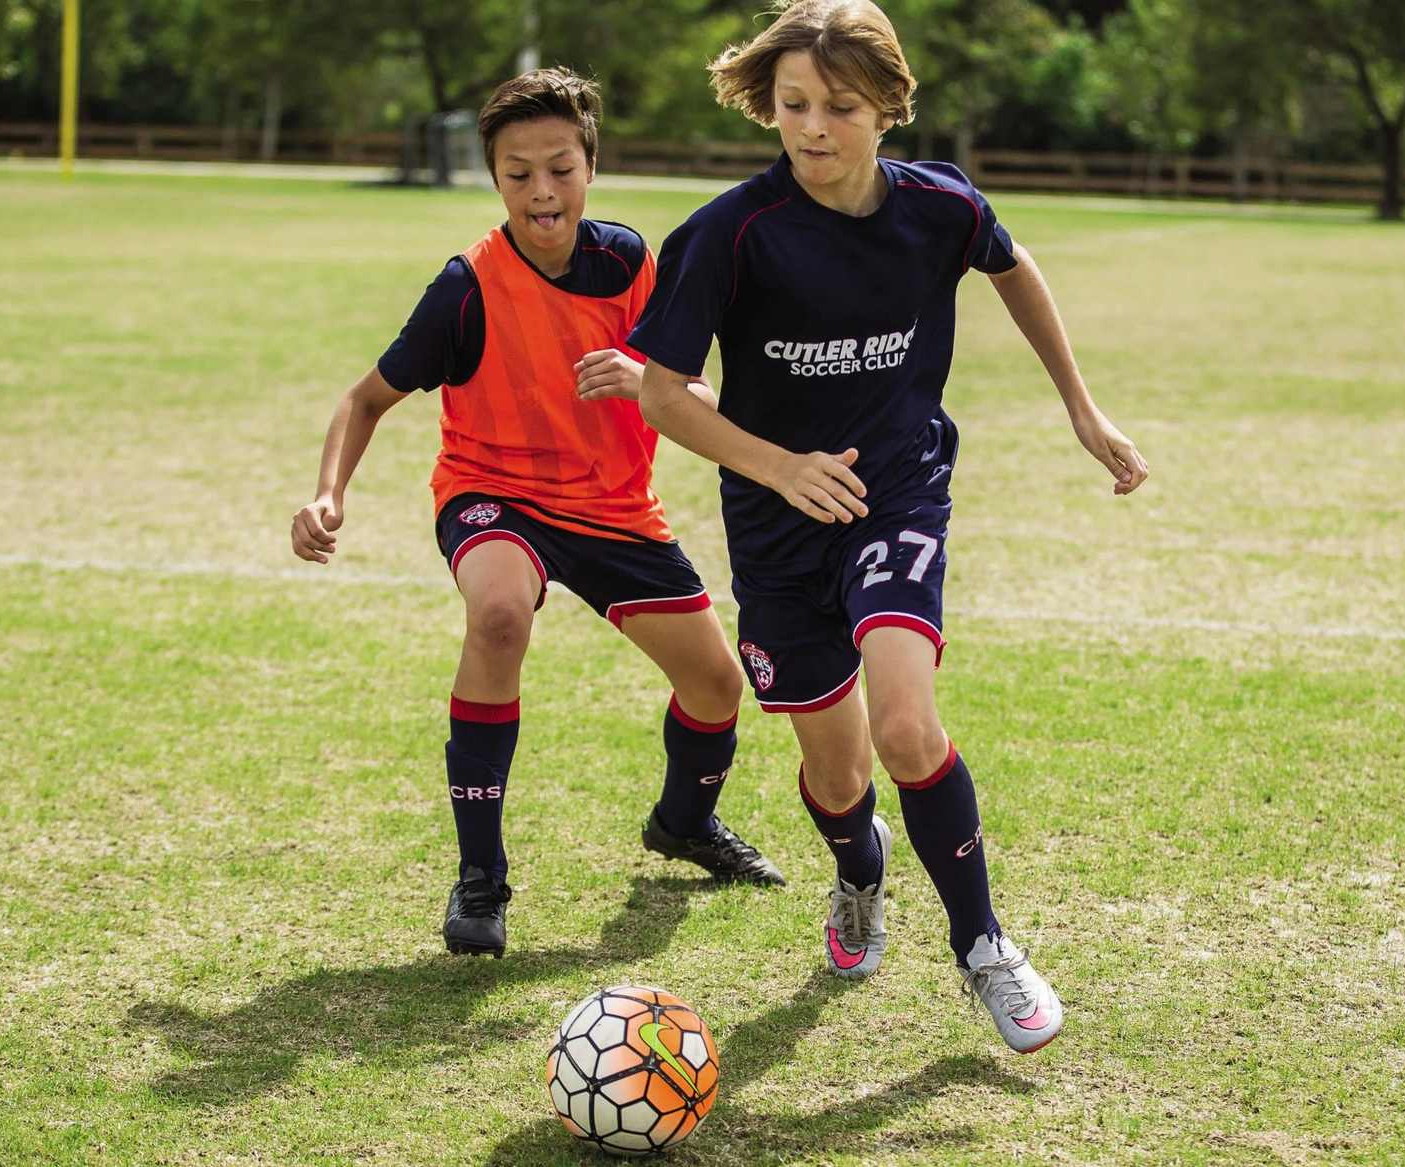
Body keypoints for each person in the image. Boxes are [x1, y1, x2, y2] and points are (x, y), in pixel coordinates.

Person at [629, 0, 1148, 1052]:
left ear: (889, 108)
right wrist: (780, 468)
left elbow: (1011, 264)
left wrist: (1080, 409)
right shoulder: (731, 231)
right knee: (837, 771)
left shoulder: (940, 208)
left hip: (897, 494)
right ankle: (858, 872)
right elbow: (661, 394)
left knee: (906, 725)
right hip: (777, 528)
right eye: (793, 106)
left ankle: (984, 947)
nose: (813, 128)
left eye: (839, 107)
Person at [290, 67, 785, 960]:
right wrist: (330, 492)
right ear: (494, 179)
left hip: (614, 506)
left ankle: (683, 823)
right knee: (498, 612)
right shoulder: (465, 287)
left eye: (559, 167)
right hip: (494, 494)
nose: (541, 191)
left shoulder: (631, 262)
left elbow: (692, 390)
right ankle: (481, 878)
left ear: (590, 165)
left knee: (716, 686)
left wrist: (648, 382)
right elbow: (365, 400)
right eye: (518, 174)